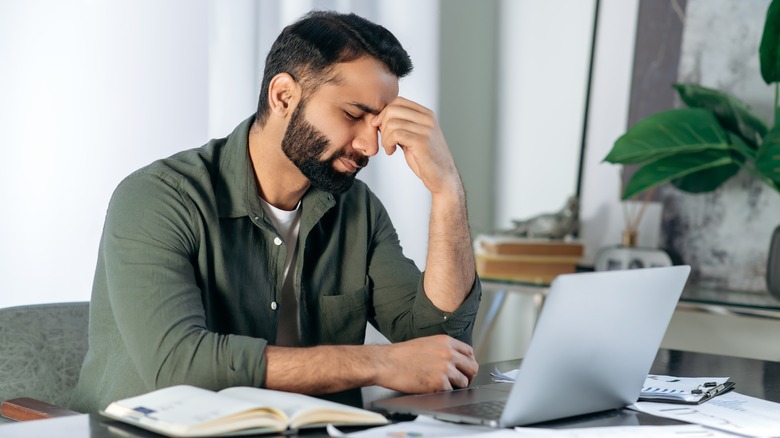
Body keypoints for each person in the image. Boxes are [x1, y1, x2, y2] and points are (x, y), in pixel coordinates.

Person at [70, 10, 481, 413]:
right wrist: (378, 363)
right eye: (353, 115)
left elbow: (439, 343)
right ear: (283, 96)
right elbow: (180, 364)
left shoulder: (357, 209)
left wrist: (447, 191)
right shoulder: (157, 198)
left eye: (377, 125)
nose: (370, 147)